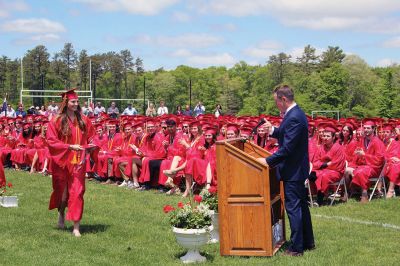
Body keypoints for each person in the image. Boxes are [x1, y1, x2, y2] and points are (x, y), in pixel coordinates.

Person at [257, 85, 314, 256]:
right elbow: (287, 134)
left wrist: (267, 161)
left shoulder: (294, 116)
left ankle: (296, 248)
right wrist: (273, 130)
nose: (276, 105)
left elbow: (288, 148)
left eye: (276, 102)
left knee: (294, 208)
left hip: (293, 171)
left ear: (283, 99)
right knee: (301, 207)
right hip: (296, 169)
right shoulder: (294, 114)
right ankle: (307, 242)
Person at [47, 88, 97, 237]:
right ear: (66, 102)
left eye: (77, 101)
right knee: (62, 194)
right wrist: (69, 146)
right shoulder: (56, 121)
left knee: (77, 192)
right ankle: (61, 213)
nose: (76, 103)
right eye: (73, 101)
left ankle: (76, 226)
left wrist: (90, 147)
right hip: (61, 160)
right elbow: (51, 141)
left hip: (78, 162)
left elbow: (92, 137)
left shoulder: (84, 120)